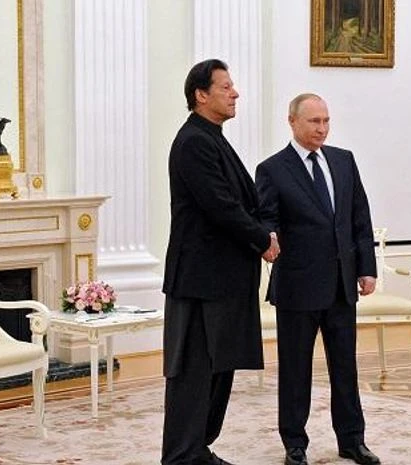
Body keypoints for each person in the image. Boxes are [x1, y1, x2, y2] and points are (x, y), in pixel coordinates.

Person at [162, 58, 279, 465]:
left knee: (216, 370)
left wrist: (263, 230)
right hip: (199, 281)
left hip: (219, 279)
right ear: (201, 94)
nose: (236, 93)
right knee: (194, 372)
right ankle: (182, 455)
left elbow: (238, 201)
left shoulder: (212, 137)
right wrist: (262, 238)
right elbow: (220, 206)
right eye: (226, 86)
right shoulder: (194, 140)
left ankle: (197, 449)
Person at [255, 94, 381, 465]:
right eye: (314, 122)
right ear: (292, 122)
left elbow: (360, 216)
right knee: (296, 370)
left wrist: (366, 267)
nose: (321, 129)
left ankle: (352, 440)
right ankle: (295, 444)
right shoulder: (272, 169)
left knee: (346, 366)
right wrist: (267, 239)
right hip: (297, 285)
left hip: (342, 283)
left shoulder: (343, 161)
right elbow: (266, 218)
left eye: (326, 121)